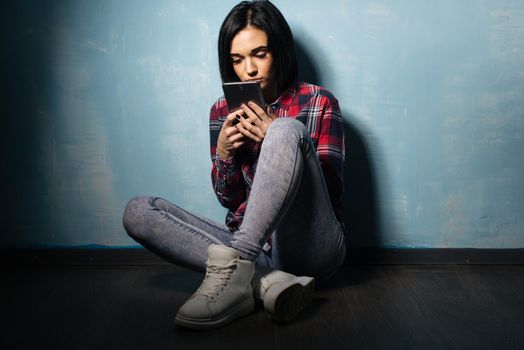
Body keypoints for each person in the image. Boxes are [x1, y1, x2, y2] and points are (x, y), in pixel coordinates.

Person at [123, 0, 346, 330]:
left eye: (260, 54)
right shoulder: (220, 112)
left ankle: (237, 270)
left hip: (313, 248)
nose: (250, 70)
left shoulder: (318, 101)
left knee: (285, 128)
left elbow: (330, 194)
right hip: (256, 249)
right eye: (237, 60)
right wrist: (225, 153)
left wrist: (277, 135)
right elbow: (229, 201)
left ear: (280, 51)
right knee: (138, 211)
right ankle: (267, 281)